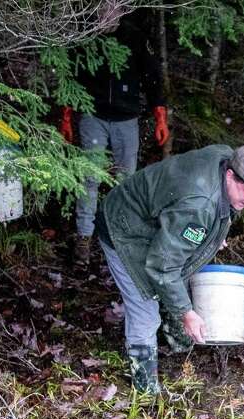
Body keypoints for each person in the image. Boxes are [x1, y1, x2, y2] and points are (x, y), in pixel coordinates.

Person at [95, 143, 244, 392]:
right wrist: (186, 313)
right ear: (231, 175)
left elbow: (208, 210)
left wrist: (214, 232)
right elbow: (162, 267)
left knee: (177, 271)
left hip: (154, 216)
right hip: (123, 227)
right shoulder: (198, 206)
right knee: (146, 312)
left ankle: (174, 341)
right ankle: (145, 389)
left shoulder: (225, 157)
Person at [60, 20, 168, 266]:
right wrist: (66, 118)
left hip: (126, 118)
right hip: (92, 114)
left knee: (126, 181)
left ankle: (122, 239)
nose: (109, 9)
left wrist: (161, 117)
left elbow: (153, 78)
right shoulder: (87, 34)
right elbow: (70, 75)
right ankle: (84, 238)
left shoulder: (135, 37)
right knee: (90, 176)